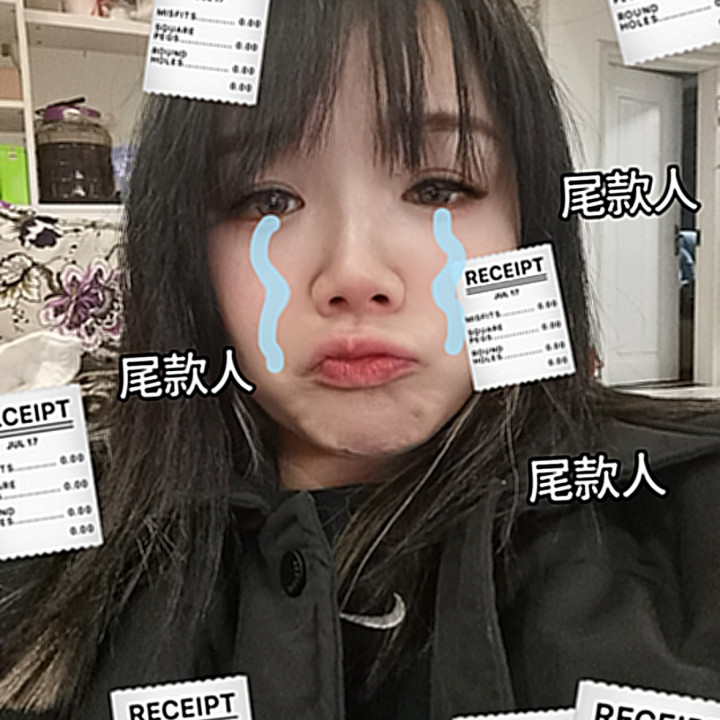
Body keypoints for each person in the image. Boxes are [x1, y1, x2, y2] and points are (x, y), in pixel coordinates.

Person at [1, 1, 719, 719]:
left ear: (528, 224)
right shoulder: (46, 519)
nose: (354, 273)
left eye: (439, 188)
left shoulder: (688, 511)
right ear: (183, 247)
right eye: (267, 199)